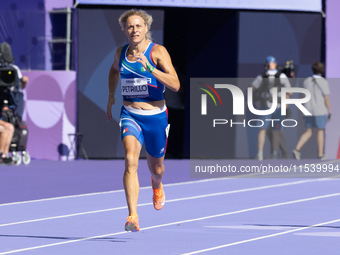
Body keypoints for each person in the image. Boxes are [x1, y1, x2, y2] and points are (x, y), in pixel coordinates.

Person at [106, 9, 180, 232]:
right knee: (130, 160)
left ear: (146, 28)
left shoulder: (157, 52)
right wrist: (111, 95)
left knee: (156, 168)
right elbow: (113, 71)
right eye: (130, 26)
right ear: (124, 30)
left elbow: (175, 84)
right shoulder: (120, 53)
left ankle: (156, 185)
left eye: (138, 26)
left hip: (155, 117)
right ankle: (133, 216)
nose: (134, 30)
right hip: (130, 114)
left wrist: (150, 69)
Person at [252, 56, 291, 160]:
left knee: (263, 129)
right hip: (278, 106)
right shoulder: (281, 76)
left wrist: (260, 94)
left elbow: (252, 88)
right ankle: (274, 153)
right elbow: (289, 91)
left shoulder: (262, 76)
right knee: (276, 131)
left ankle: (260, 153)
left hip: (266, 106)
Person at [292, 61, 331, 160]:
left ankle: (297, 149)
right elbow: (326, 97)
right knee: (320, 131)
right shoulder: (323, 82)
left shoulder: (306, 81)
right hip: (319, 110)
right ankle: (320, 154)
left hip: (308, 109)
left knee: (308, 131)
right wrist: (330, 111)